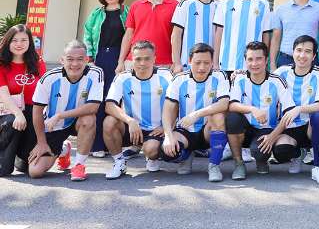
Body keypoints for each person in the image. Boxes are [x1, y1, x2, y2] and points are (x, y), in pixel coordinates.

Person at [28, 41, 103, 181]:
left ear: (87, 60)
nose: (75, 64)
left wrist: (60, 115)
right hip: (53, 126)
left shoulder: (95, 73)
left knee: (89, 118)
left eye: (80, 59)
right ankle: (63, 149)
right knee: (35, 171)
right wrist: (41, 143)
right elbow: (37, 111)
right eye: (70, 59)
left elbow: (93, 107)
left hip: (78, 121)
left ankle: (79, 165)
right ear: (62, 60)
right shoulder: (49, 78)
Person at [160, 43, 229, 182]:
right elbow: (167, 110)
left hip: (207, 130)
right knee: (166, 152)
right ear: (190, 61)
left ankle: (214, 166)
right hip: (185, 130)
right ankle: (186, 155)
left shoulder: (220, 76)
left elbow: (224, 104)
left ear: (212, 63)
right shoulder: (179, 79)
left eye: (206, 63)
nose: (202, 67)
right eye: (197, 62)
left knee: (218, 116)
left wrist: (196, 114)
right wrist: (168, 136)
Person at [103, 40, 171, 179]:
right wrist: (130, 121)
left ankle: (152, 158)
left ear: (154, 59)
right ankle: (119, 162)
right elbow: (109, 105)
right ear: (132, 59)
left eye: (147, 59)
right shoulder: (123, 78)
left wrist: (166, 126)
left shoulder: (166, 76)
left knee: (151, 150)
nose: (142, 63)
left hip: (156, 129)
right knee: (109, 122)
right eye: (138, 59)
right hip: (132, 129)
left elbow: (178, 104)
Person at [226, 41, 294, 180]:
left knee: (259, 152)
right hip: (245, 128)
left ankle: (262, 161)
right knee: (232, 118)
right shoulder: (239, 78)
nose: (254, 63)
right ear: (245, 61)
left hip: (266, 129)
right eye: (250, 59)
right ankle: (239, 163)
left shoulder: (277, 81)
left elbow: (289, 112)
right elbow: (232, 105)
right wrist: (253, 109)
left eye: (259, 59)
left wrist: (272, 136)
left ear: (266, 60)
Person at [273, 35, 319, 183]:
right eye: (299, 50)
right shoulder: (282, 72)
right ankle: (297, 155)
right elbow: (262, 78)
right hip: (288, 126)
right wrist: (240, 73)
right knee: (280, 152)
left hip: (310, 126)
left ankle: (317, 167)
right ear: (293, 52)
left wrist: (298, 109)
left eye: (307, 51)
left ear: (314, 56)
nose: (302, 55)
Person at [84, 0, 129, 157]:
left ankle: (118, 144)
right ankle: (97, 146)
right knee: (99, 100)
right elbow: (87, 35)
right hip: (100, 58)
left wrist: (124, 60)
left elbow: (131, 36)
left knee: (117, 99)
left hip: (120, 59)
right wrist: (90, 59)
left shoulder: (127, 12)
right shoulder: (96, 14)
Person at [0, 25, 47, 176]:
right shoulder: (1, 63)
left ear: (30, 42)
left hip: (32, 112)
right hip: (7, 112)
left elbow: (44, 91)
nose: (19, 44)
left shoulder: (38, 62)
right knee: (4, 170)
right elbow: (3, 94)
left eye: (23, 40)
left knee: (26, 167)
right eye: (14, 40)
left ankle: (62, 148)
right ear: (8, 42)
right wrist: (18, 114)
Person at [116, 0, 178, 73]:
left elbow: (178, 37)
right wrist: (121, 61)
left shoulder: (176, 6)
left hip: (164, 63)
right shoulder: (135, 5)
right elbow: (128, 35)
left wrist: (177, 62)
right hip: (134, 61)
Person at [213, 0, 271, 74]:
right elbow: (218, 33)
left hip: (254, 65)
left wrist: (264, 62)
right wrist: (215, 62)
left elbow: (266, 34)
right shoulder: (225, 3)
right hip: (227, 63)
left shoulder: (264, 4)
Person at [270, 0, 319, 70]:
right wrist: (272, 64)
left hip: (310, 59)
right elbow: (275, 38)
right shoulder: (281, 9)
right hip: (286, 59)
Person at [170, 0, 217, 75]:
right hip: (187, 64)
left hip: (211, 65)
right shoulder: (185, 4)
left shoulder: (219, 6)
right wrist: (177, 63)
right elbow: (176, 35)